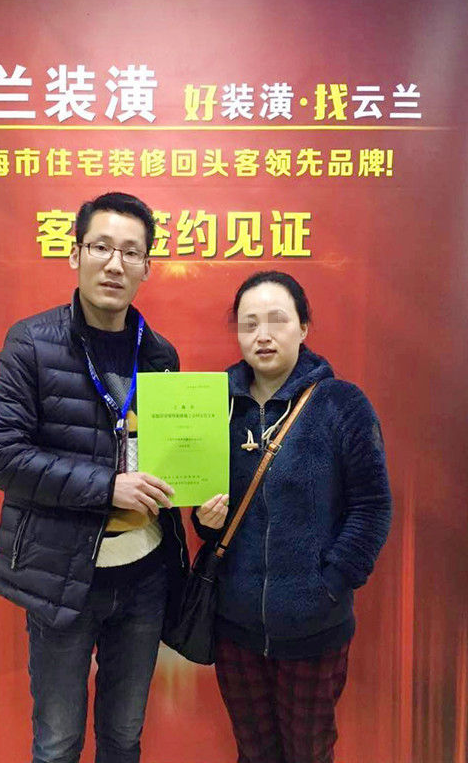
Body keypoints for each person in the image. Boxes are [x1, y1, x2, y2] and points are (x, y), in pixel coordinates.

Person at [0, 192, 188, 763]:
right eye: (101, 247)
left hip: (145, 577)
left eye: (131, 252)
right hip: (63, 579)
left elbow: (171, 457)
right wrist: (107, 486)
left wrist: (199, 492)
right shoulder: (31, 343)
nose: (115, 264)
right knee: (57, 742)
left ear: (147, 266)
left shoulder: (161, 355)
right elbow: (0, 453)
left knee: (123, 738)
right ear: (76, 254)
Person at [194, 271, 392, 763]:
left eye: (277, 320)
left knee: (309, 751)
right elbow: (202, 505)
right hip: (235, 625)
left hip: (314, 628)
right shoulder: (214, 405)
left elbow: (372, 506)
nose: (262, 335)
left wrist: (331, 584)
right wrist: (204, 521)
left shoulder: (341, 404)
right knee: (253, 751)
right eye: (249, 324)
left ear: (303, 327)